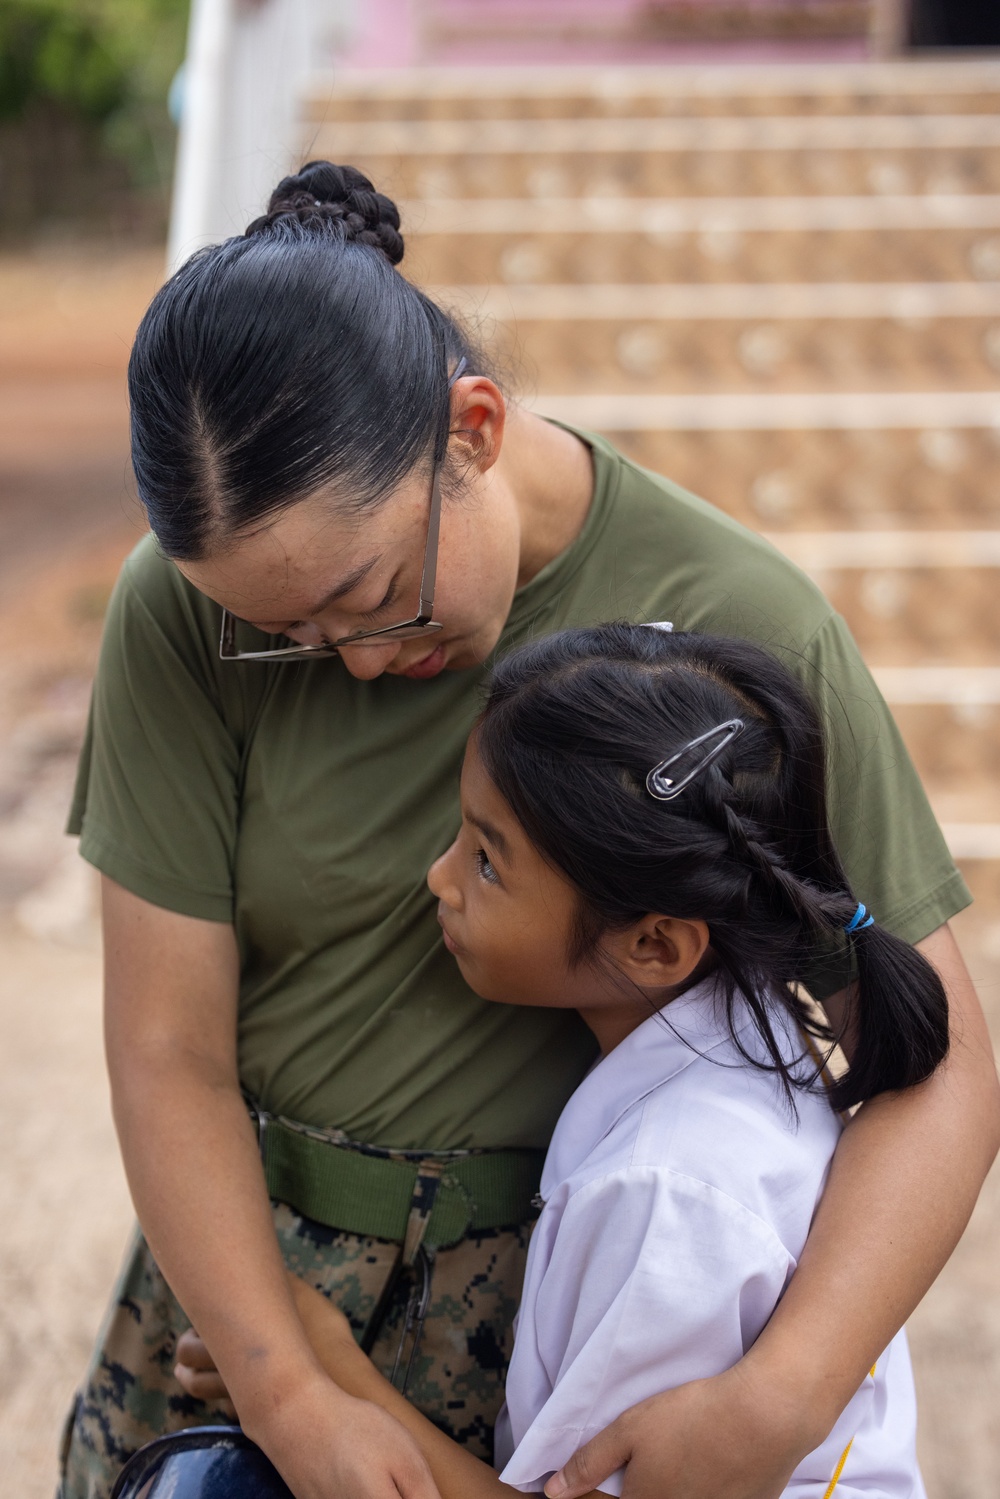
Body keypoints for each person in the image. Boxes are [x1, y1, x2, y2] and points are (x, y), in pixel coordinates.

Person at [60, 159, 998, 1499]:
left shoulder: (740, 616)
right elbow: (167, 1050)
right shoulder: (183, 607)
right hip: (246, 1300)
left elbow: (929, 1057)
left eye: (373, 594)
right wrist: (289, 1392)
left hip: (582, 1309)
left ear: (476, 428)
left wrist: (774, 1399)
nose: (357, 663)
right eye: (287, 641)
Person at [181, 621, 949, 1497]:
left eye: (487, 861)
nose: (439, 878)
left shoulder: (665, 1193)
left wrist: (327, 1371)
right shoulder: (759, 1044)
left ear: (656, 944)